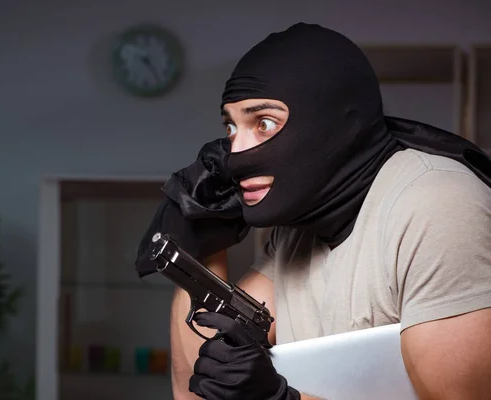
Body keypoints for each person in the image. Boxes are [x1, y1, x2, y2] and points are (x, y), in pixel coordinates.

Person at [136, 22, 491, 400]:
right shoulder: (299, 226)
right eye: (231, 127)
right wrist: (198, 243)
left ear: (337, 124)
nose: (236, 155)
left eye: (264, 123)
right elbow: (198, 391)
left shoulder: (435, 204)